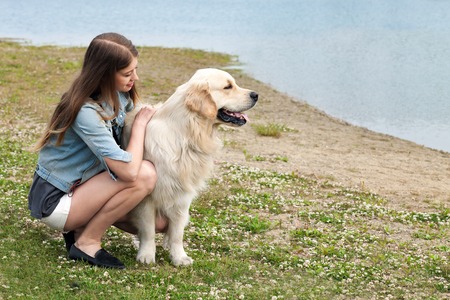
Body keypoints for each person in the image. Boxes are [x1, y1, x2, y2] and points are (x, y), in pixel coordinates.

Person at [28, 32, 165, 269]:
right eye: (127, 73)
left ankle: (80, 227)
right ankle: (87, 242)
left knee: (161, 223)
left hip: (84, 187)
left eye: (135, 70)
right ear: (103, 73)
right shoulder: (85, 111)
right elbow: (129, 172)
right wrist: (141, 123)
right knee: (144, 174)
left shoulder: (119, 96)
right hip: (56, 200)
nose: (136, 77)